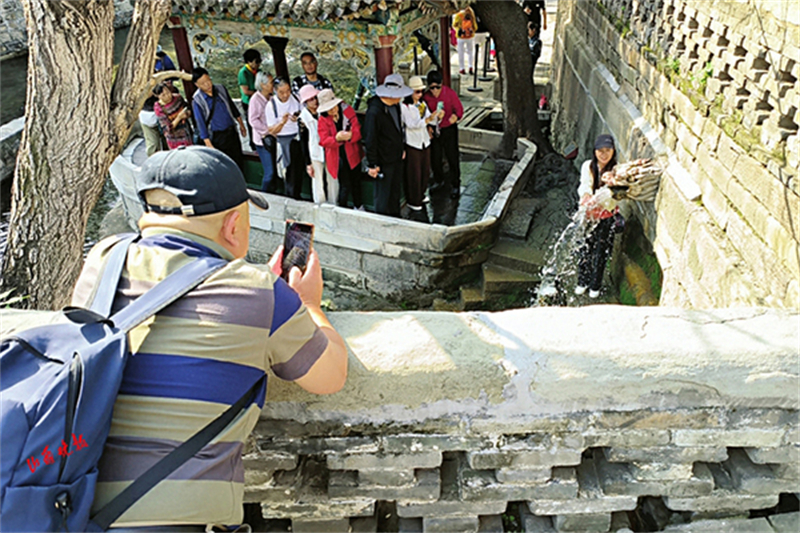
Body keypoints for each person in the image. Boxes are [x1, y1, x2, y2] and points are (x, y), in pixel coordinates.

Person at [72, 146, 348, 529]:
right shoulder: (259, 292)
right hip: (178, 521)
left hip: (72, 505)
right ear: (233, 225)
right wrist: (307, 304)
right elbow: (330, 377)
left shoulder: (104, 257)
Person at [575, 134, 621, 298]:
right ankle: (582, 281)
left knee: (601, 251)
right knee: (584, 248)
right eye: (600, 150)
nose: (604, 154)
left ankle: (595, 285)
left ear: (613, 151)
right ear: (594, 151)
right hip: (588, 215)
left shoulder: (617, 171)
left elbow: (614, 197)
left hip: (606, 216)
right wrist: (586, 196)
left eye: (607, 150)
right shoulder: (588, 166)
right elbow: (584, 185)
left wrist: (600, 198)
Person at [363, 73, 413, 217]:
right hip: (383, 161)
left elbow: (399, 129)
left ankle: (395, 218)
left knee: (394, 194)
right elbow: (370, 139)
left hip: (396, 157)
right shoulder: (374, 112)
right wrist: (372, 164)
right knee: (382, 197)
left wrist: (401, 148)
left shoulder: (395, 106)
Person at [401, 76, 441, 222]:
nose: (420, 94)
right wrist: (427, 120)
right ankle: (413, 200)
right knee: (414, 173)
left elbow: (430, 118)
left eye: (421, 91)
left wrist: (436, 117)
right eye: (417, 92)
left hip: (424, 141)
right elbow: (411, 124)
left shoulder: (422, 104)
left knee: (425, 170)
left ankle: (422, 194)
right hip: (413, 143)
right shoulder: (404, 107)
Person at [191, 67, 247, 170]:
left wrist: (241, 124)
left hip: (231, 132)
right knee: (224, 166)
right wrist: (208, 144)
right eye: (203, 83)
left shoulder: (221, 89)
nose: (207, 84)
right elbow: (200, 123)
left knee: (238, 161)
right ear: (197, 85)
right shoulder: (197, 100)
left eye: (208, 80)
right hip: (217, 137)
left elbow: (232, 107)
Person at [318, 89, 364, 211]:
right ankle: (342, 208)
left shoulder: (347, 110)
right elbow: (323, 140)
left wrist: (351, 135)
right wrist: (336, 139)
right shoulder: (322, 119)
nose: (332, 110)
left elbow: (357, 129)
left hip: (352, 152)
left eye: (333, 106)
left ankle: (358, 205)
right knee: (344, 184)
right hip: (337, 156)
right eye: (329, 109)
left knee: (356, 181)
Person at [422, 70, 464, 199]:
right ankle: (438, 179)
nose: (435, 91)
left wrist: (456, 116)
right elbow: (423, 115)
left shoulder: (449, 93)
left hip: (448, 129)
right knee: (435, 157)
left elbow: (459, 109)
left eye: (437, 87)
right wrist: (428, 127)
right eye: (432, 88)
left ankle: (455, 183)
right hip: (435, 129)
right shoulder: (426, 97)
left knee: (452, 156)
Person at [265, 77, 305, 200]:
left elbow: (305, 114)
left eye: (288, 91)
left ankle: (298, 195)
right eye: (281, 92)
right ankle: (290, 197)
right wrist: (282, 122)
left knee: (299, 171)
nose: (286, 95)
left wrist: (298, 117)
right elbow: (271, 130)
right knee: (288, 173)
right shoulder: (271, 106)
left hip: (297, 137)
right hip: (283, 141)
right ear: (275, 90)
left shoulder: (296, 99)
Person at [299, 85, 336, 205]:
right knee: (317, 180)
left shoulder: (324, 111)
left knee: (332, 178)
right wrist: (307, 163)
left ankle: (334, 202)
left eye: (315, 98)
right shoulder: (303, 118)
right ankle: (319, 203)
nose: (314, 101)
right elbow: (303, 141)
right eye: (310, 99)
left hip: (329, 149)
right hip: (314, 151)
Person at [249, 71, 276, 192]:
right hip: (262, 140)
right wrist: (267, 130)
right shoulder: (255, 100)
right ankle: (264, 194)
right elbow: (253, 120)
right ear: (262, 85)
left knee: (275, 170)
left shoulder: (271, 97)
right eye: (271, 82)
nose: (273, 84)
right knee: (269, 172)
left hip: (274, 137)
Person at [153, 82, 193, 150]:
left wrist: (187, 114)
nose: (168, 96)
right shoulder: (159, 108)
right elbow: (167, 129)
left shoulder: (178, 98)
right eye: (163, 95)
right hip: (174, 140)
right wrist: (179, 117)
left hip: (187, 134)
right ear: (158, 96)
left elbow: (188, 108)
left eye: (168, 92)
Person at [239, 48, 262, 151]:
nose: (258, 64)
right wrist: (259, 93)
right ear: (249, 62)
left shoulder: (258, 71)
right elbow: (245, 91)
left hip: (259, 100)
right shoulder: (243, 73)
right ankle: (254, 145)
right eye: (256, 62)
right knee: (252, 123)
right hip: (248, 102)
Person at [453, 6, 477, 75]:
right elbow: (475, 27)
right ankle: (470, 66)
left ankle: (462, 68)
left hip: (461, 37)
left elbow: (454, 25)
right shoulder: (472, 15)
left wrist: (459, 28)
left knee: (461, 52)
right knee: (470, 52)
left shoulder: (459, 15)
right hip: (470, 37)